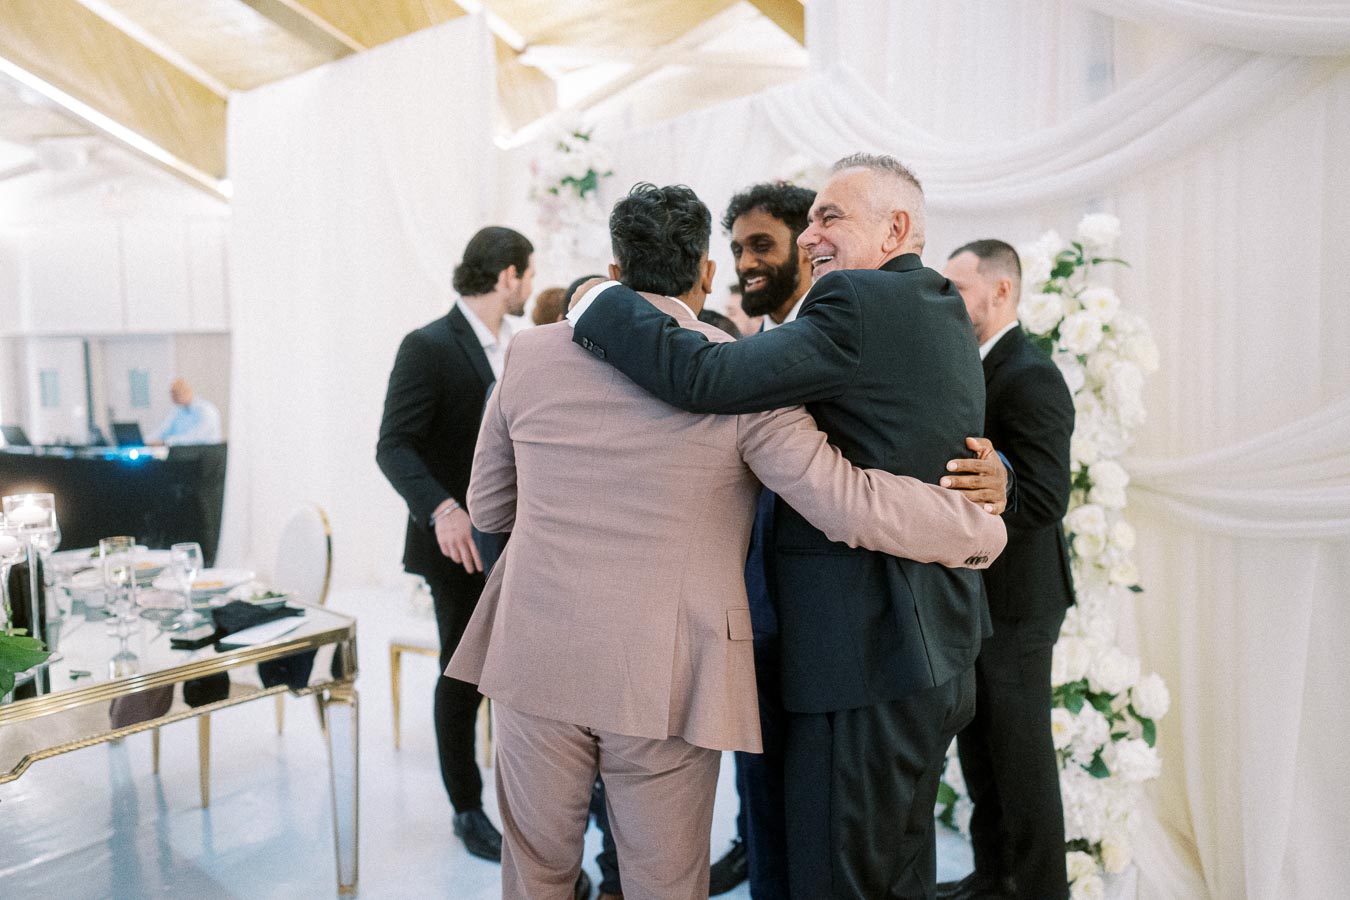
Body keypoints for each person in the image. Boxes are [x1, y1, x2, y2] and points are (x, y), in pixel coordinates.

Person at [447, 183, 1007, 900]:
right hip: (666, 676)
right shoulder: (747, 383)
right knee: (666, 882)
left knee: (536, 874)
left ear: (615, 272)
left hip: (532, 657)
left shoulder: (528, 355)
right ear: (706, 275)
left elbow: (490, 508)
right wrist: (979, 529)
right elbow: (847, 502)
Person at [376, 225, 534, 863]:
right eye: (526, 274)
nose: (527, 286)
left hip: (515, 543)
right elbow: (393, 444)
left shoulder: (516, 348)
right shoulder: (428, 345)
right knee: (461, 677)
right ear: (506, 276)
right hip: (456, 546)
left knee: (516, 677)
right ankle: (467, 809)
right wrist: (442, 509)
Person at [939, 241, 1075, 900]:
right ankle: (993, 879)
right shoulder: (970, 365)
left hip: (1021, 603)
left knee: (1021, 765)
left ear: (1001, 291)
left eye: (958, 290)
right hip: (979, 596)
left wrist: (1005, 482)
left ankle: (1040, 889)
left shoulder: (1030, 373)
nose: (948, 303)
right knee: (982, 757)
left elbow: (1048, 496)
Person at [149, 378, 222, 445]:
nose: (173, 397)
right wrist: (145, 442)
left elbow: (195, 437)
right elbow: (163, 431)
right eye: (172, 393)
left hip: (206, 456)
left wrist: (165, 442)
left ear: (188, 391)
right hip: (185, 455)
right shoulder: (178, 411)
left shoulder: (206, 410)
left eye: (176, 393)